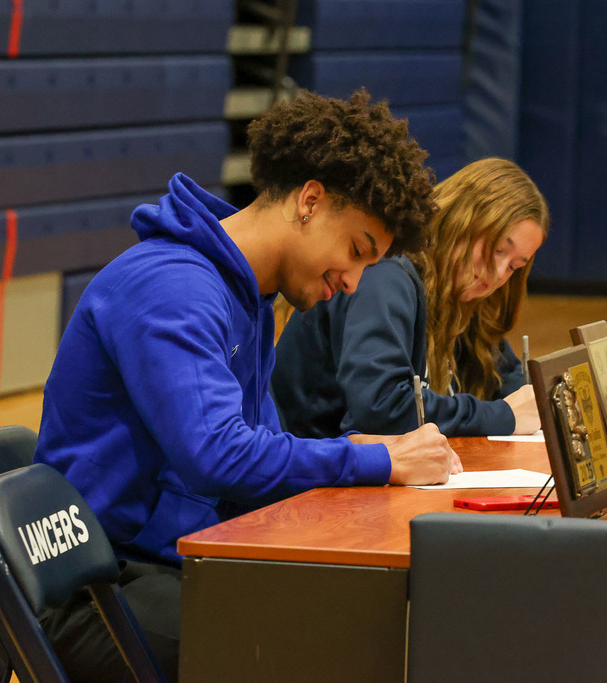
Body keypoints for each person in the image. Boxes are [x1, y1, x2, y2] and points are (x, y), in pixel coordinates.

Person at [33, 89, 459, 682]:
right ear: (310, 201)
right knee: (328, 647)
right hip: (99, 589)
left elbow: (259, 465)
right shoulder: (173, 288)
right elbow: (218, 457)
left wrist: (361, 461)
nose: (355, 282)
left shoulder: (248, 301)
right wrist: (374, 461)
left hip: (171, 565)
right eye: (357, 251)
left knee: (376, 616)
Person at [271, 157, 548, 439]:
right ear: (462, 220)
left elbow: (512, 384)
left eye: (515, 267)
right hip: (309, 473)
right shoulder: (389, 272)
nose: (498, 273)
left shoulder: (461, 290)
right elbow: (380, 410)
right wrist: (503, 416)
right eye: (498, 250)